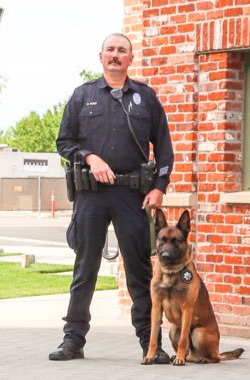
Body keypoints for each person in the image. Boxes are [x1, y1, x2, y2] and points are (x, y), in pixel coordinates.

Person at [50, 33, 174, 362]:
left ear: (130, 58)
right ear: (101, 57)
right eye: (110, 50)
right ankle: (73, 341)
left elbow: (164, 147)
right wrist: (90, 157)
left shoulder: (146, 98)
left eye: (122, 50)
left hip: (132, 195)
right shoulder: (83, 95)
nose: (115, 55)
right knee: (84, 268)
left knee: (139, 271)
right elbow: (64, 142)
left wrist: (159, 187)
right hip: (91, 194)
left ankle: (151, 344)